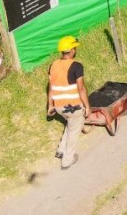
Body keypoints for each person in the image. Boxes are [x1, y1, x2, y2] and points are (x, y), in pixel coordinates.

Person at [47, 36, 90, 170]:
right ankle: (67, 160)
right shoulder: (77, 66)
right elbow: (81, 89)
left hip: (59, 107)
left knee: (71, 125)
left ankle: (60, 150)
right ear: (71, 50)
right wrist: (87, 106)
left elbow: (51, 87)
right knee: (74, 131)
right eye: (74, 48)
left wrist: (50, 105)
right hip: (74, 106)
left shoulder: (53, 65)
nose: (75, 50)